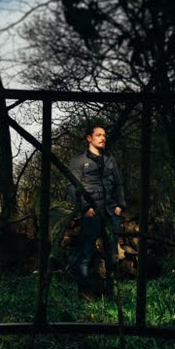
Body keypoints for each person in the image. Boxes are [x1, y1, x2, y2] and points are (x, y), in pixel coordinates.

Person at [66, 124, 125, 296]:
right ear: (89, 138)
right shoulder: (77, 161)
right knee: (85, 252)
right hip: (91, 212)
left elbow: (119, 184)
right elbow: (72, 186)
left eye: (104, 135)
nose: (103, 138)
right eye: (98, 135)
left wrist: (120, 206)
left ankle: (111, 290)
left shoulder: (109, 160)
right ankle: (84, 290)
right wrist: (85, 207)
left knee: (113, 253)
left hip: (111, 212)